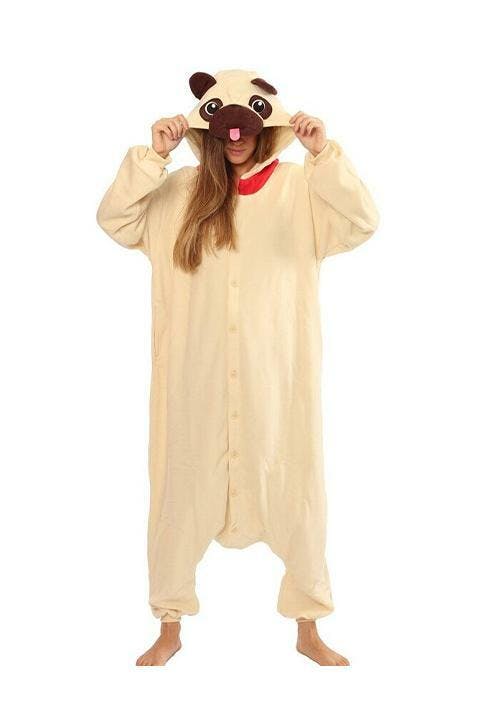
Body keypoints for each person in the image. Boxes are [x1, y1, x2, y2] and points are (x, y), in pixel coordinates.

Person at [96, 68, 379, 666]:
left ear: (266, 128)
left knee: (295, 489)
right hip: (193, 383)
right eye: (223, 129)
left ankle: (308, 626)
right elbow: (115, 220)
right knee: (178, 493)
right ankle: (169, 625)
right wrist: (153, 156)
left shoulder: (301, 188)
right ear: (206, 132)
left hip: (276, 382)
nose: (236, 139)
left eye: (247, 127)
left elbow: (361, 222)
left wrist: (323, 154)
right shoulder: (177, 192)